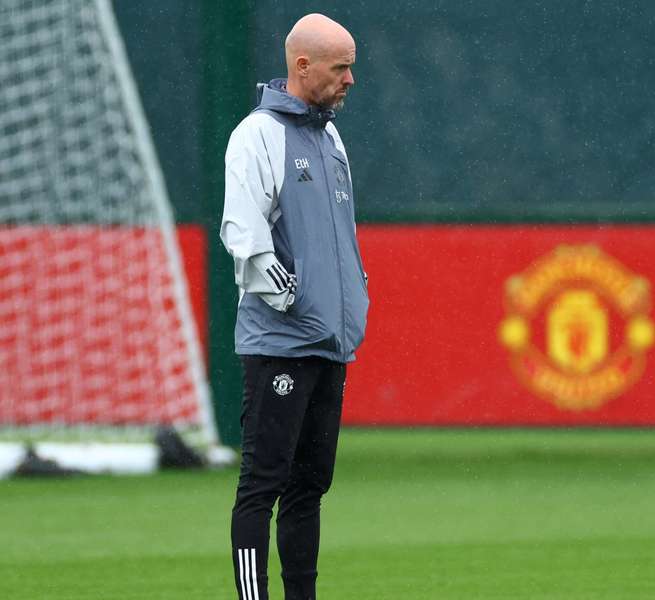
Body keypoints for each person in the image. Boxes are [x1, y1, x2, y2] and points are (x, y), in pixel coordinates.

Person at [219, 13, 368, 600]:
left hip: (329, 342)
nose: (351, 79)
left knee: (310, 487)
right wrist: (291, 295)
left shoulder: (330, 138)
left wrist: (351, 297)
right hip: (280, 342)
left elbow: (339, 238)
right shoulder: (256, 134)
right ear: (302, 66)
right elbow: (242, 228)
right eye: (341, 67)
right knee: (263, 484)